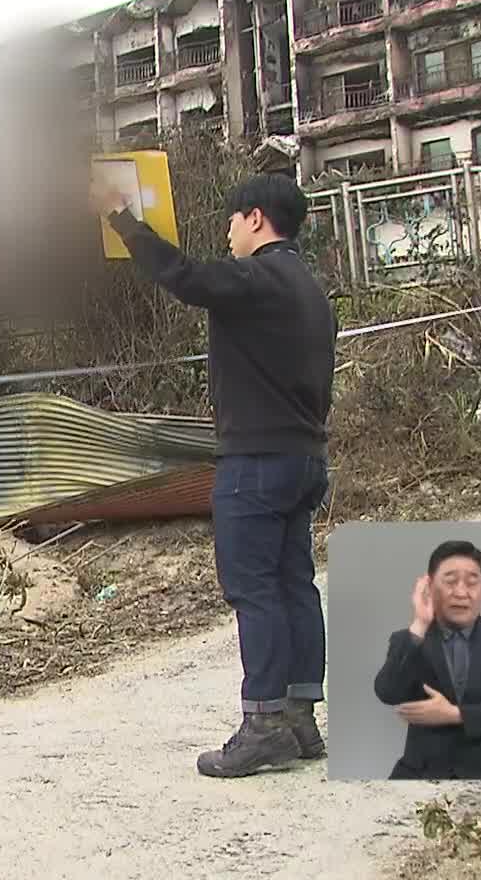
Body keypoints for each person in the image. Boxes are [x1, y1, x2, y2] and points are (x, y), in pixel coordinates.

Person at [91, 171, 337, 777]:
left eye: (232, 219)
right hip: (304, 457)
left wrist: (124, 219)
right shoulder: (310, 289)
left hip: (254, 463)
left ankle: (263, 725)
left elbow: (185, 276)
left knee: (254, 590)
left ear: (256, 218)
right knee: (294, 584)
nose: (227, 232)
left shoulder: (258, 278)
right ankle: (301, 718)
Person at [373, 539, 481, 780]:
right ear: (429, 586)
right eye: (450, 582)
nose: (461, 592)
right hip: (422, 774)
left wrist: (455, 714)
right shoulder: (409, 639)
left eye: (472, 583)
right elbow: (387, 692)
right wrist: (420, 624)